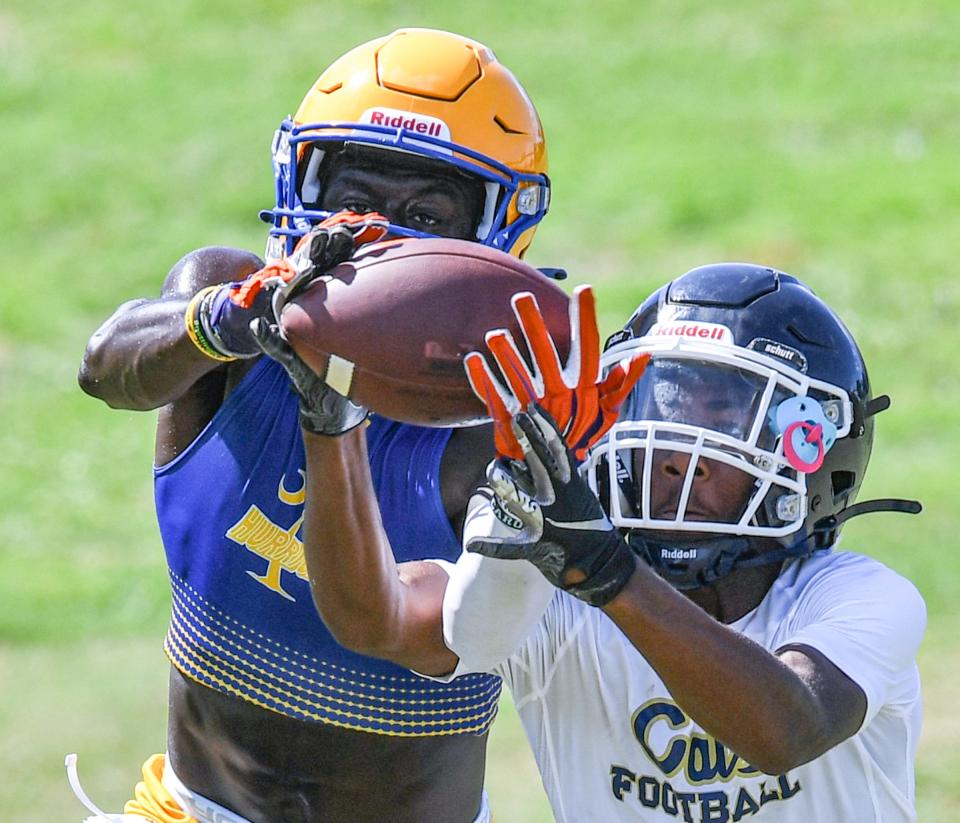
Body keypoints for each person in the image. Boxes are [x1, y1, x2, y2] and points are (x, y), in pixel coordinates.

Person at [74, 28, 553, 823]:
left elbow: (407, 634)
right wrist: (237, 317)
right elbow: (104, 367)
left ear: (490, 233)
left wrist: (338, 417)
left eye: (424, 212)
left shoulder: (497, 429)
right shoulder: (224, 306)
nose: (379, 234)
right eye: (355, 200)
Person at [293, 262, 926, 822]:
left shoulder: (864, 598)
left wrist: (609, 573)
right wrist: (332, 427)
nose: (683, 451)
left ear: (814, 453)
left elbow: (785, 731)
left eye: (726, 415)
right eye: (669, 406)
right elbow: (374, 620)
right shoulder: (559, 592)